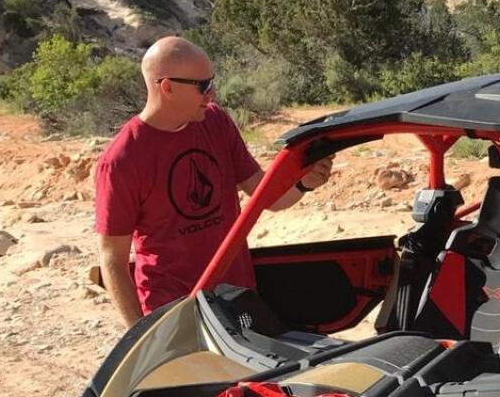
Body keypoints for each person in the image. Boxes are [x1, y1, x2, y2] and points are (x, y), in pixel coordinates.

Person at [95, 36, 331, 327]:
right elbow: (112, 260)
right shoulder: (121, 160)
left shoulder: (216, 121)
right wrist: (140, 339)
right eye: (202, 86)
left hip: (235, 297)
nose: (212, 93)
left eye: (212, 82)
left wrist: (303, 182)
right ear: (167, 87)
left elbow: (265, 196)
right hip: (172, 309)